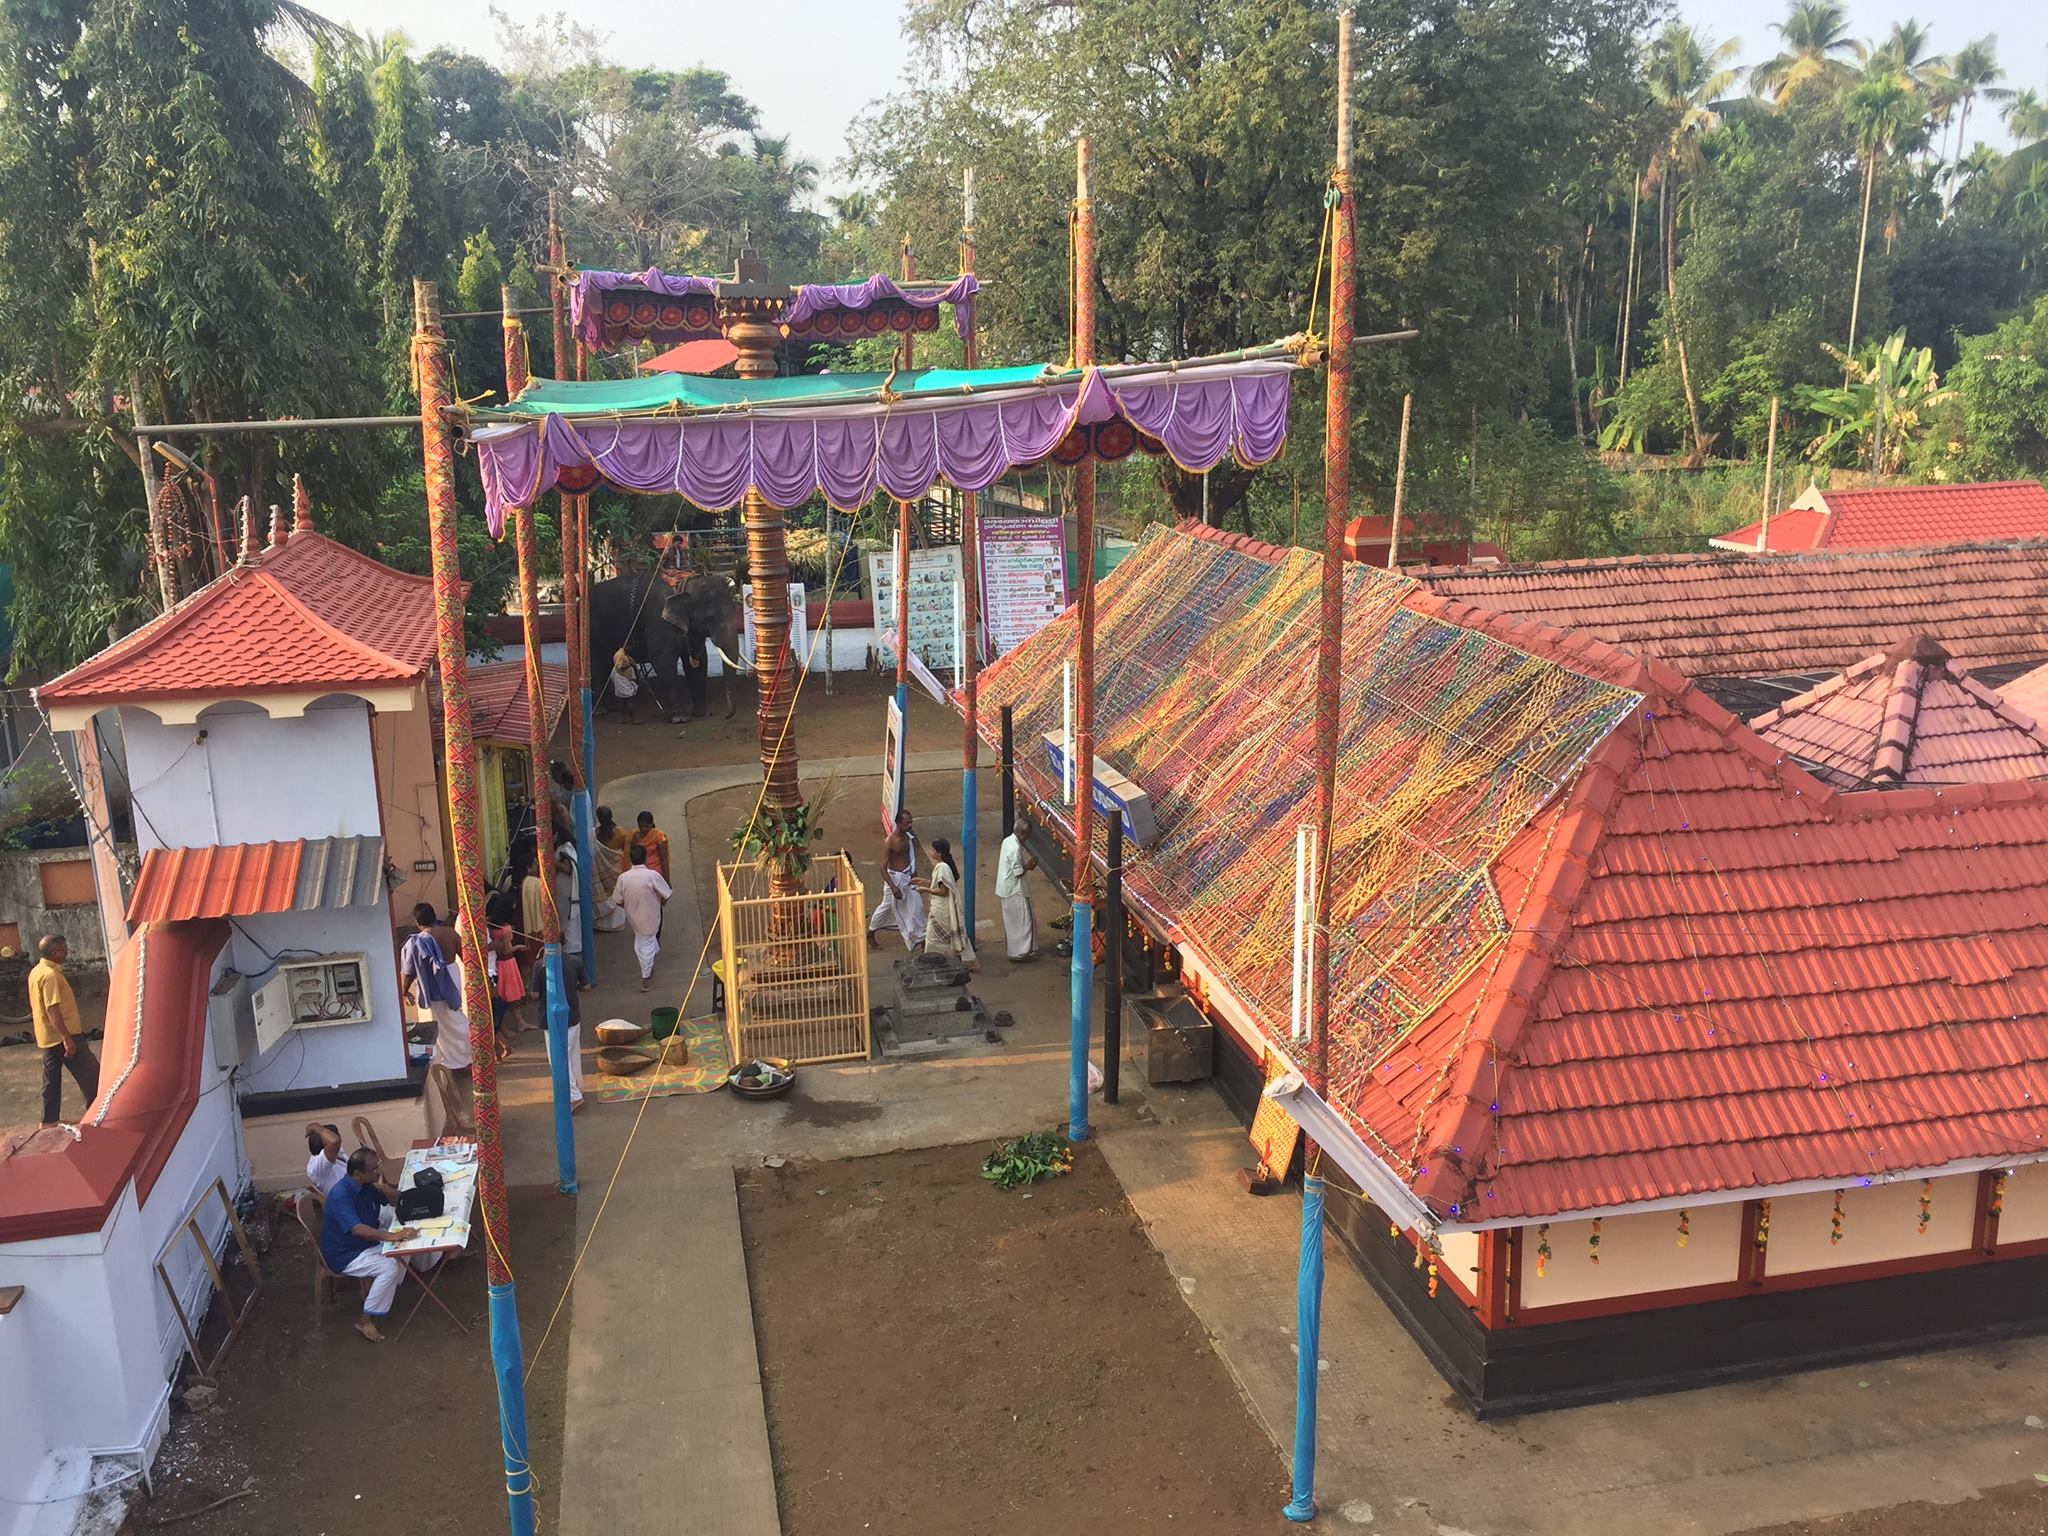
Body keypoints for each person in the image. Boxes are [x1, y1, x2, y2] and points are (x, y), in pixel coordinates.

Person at [318, 1148, 441, 1343]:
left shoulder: (367, 1185)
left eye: (378, 1166)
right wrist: (391, 1236)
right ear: (358, 1173)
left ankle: (383, 1289)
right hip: (345, 1253)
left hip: (365, 1241)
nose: (378, 1171)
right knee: (389, 1266)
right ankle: (364, 1320)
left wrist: (384, 1188)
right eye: (374, 1169)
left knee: (403, 1240)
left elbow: (397, 1201)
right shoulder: (340, 1194)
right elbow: (357, 1230)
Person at [30, 935, 100, 1127]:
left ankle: (49, 1120)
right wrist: (67, 1038)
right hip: (64, 1035)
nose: (67, 952)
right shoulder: (50, 976)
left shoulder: (36, 971)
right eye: (64, 949)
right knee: (91, 1074)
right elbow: (52, 1009)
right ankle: (97, 1114)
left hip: (47, 1037)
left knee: (51, 1081)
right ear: (55, 953)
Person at [399, 904, 472, 1074]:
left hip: (432, 983)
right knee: (453, 1016)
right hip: (452, 975)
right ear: (434, 916)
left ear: (417, 922)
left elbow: (408, 971)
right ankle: (461, 1058)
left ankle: (457, 1060)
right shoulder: (450, 933)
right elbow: (466, 957)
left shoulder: (416, 942)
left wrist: (404, 991)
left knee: (444, 1022)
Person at [613, 843, 672, 991]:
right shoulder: (652, 876)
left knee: (643, 942)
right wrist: (659, 903)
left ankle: (650, 969)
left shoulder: (623, 878)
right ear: (646, 858)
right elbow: (666, 894)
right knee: (647, 944)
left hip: (633, 916)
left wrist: (629, 907)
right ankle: (646, 979)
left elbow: (617, 900)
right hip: (650, 914)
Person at [867, 810, 926, 952]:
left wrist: (913, 873)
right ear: (898, 822)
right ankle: (871, 932)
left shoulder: (908, 838)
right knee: (886, 907)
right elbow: (882, 867)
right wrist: (893, 887)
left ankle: (921, 939)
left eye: (911, 822)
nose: (910, 825)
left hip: (908, 878)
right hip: (895, 879)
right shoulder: (891, 841)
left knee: (916, 907)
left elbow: (909, 857)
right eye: (907, 823)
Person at [918, 836, 976, 970]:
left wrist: (925, 889)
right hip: (943, 909)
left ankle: (935, 963)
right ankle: (963, 961)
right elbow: (940, 884)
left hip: (941, 910)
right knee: (951, 936)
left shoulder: (942, 868)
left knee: (933, 938)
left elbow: (943, 891)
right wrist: (923, 881)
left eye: (932, 850)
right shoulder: (945, 866)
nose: (930, 852)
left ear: (939, 853)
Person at [996, 807, 1041, 963]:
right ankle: (1021, 952)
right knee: (1023, 921)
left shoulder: (1007, 841)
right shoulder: (1015, 848)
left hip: (1006, 887)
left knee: (1013, 922)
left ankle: (1016, 950)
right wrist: (1030, 863)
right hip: (1015, 889)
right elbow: (1018, 871)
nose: (1028, 838)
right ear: (1022, 833)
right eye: (1028, 834)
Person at [631, 810, 672, 886]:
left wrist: (667, 879)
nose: (643, 829)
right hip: (640, 872)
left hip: (656, 873)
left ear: (652, 824)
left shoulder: (659, 837)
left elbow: (664, 859)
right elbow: (632, 854)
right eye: (640, 826)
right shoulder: (635, 836)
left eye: (646, 827)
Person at [609, 648, 640, 724]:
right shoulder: (619, 655)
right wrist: (630, 664)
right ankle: (633, 719)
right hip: (621, 678)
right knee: (629, 698)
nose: (632, 647)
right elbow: (620, 668)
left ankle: (622, 718)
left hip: (625, 678)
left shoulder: (626, 655)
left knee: (622, 699)